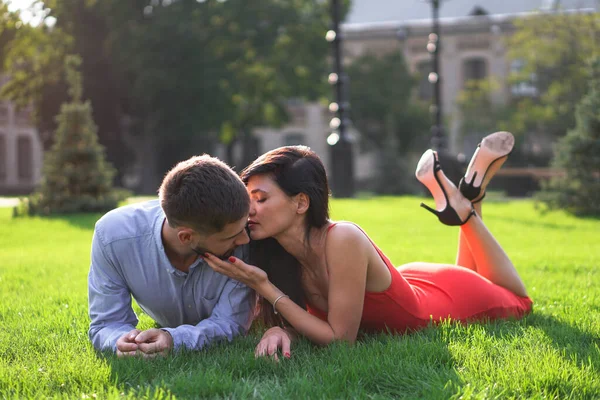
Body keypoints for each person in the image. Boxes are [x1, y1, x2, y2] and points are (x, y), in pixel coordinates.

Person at [203, 131, 533, 358]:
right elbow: (305, 324)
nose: (250, 210)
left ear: (301, 203)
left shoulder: (342, 238)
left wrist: (265, 288)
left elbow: (341, 341)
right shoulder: (275, 252)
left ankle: (466, 211)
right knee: (470, 270)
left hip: (445, 301)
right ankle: (471, 196)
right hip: (414, 282)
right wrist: (284, 332)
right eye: (248, 200)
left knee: (520, 300)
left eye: (260, 199)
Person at [88, 155, 255, 357]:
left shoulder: (243, 241)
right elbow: (106, 323)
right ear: (186, 237)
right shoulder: (113, 237)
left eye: (244, 228)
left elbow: (231, 323)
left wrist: (174, 339)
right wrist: (122, 341)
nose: (245, 239)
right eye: (233, 236)